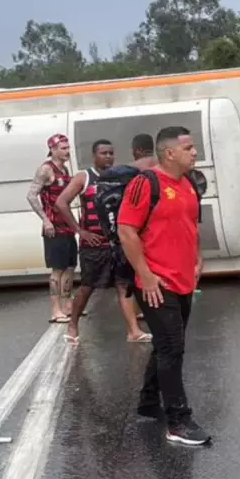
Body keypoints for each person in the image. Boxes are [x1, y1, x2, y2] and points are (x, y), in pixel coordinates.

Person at [118, 126, 208, 446]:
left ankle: (147, 401)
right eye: (189, 147)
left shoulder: (188, 184)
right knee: (172, 348)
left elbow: (191, 225)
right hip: (155, 282)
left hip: (183, 279)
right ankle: (178, 420)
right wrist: (146, 273)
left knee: (167, 344)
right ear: (169, 153)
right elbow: (126, 231)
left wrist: (198, 258)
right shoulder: (146, 183)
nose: (194, 152)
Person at [55, 139, 149, 343]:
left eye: (111, 153)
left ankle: (133, 331)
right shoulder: (84, 177)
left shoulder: (119, 176)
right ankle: (72, 326)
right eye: (103, 153)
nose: (108, 156)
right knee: (88, 286)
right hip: (94, 245)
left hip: (116, 242)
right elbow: (61, 203)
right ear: (94, 156)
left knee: (123, 285)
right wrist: (80, 231)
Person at [27, 134, 78, 323]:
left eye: (68, 148)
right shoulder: (46, 170)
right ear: (53, 149)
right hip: (54, 227)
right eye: (63, 148)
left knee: (71, 266)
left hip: (67, 225)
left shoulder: (64, 169)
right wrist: (46, 220)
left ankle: (68, 305)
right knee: (58, 269)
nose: (67, 152)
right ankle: (55, 309)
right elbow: (31, 195)